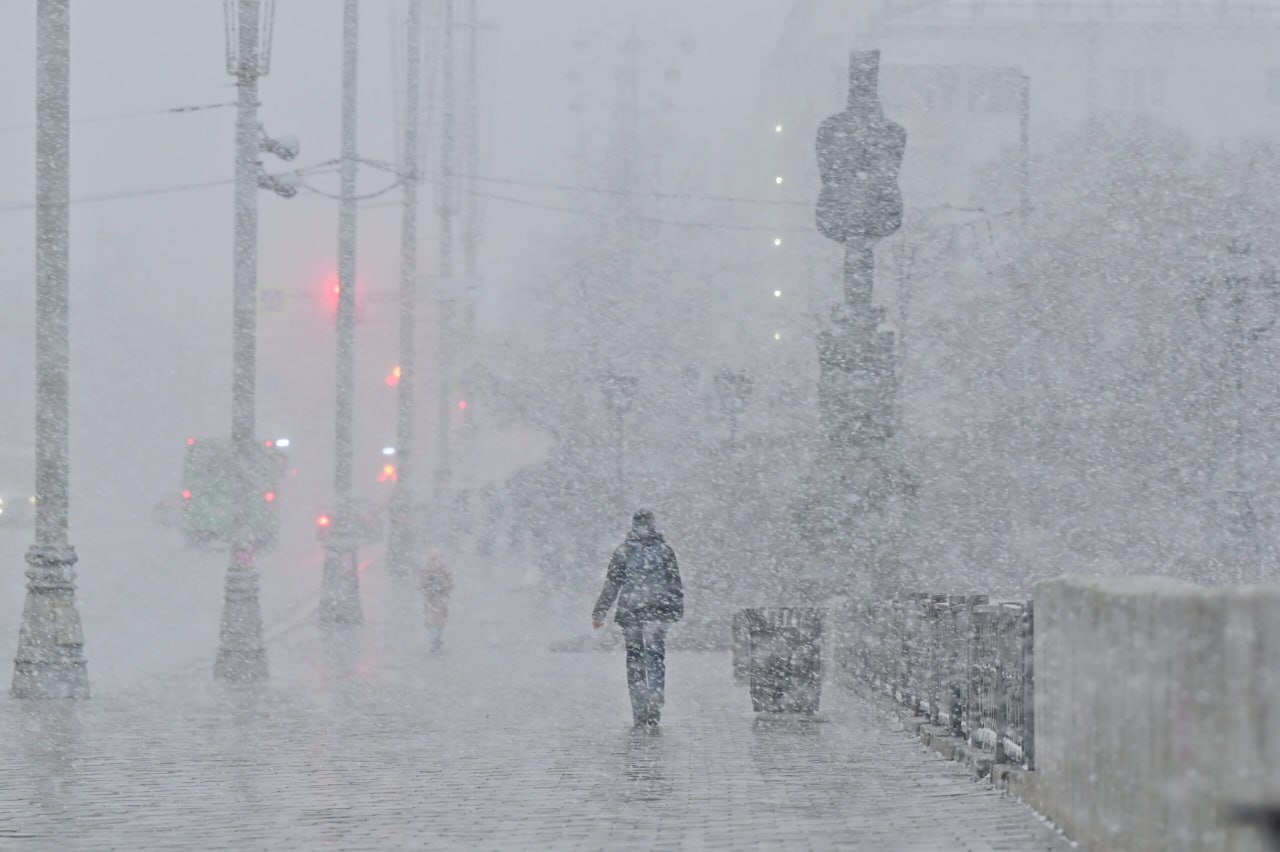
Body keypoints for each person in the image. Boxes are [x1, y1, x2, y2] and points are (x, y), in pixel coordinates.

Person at [593, 509, 684, 728]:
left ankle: (639, 709)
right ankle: (654, 706)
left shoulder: (623, 551)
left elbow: (612, 584)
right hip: (658, 613)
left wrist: (599, 612)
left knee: (635, 660)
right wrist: (676, 609)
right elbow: (675, 583)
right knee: (655, 658)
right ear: (653, 525)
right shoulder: (665, 551)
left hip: (631, 613)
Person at [418, 550, 454, 654]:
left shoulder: (426, 570)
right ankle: (437, 639)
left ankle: (434, 640)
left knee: (431, 621)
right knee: (440, 621)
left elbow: (422, 585)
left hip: (431, 600)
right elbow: (450, 584)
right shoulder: (445, 570)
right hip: (441, 600)